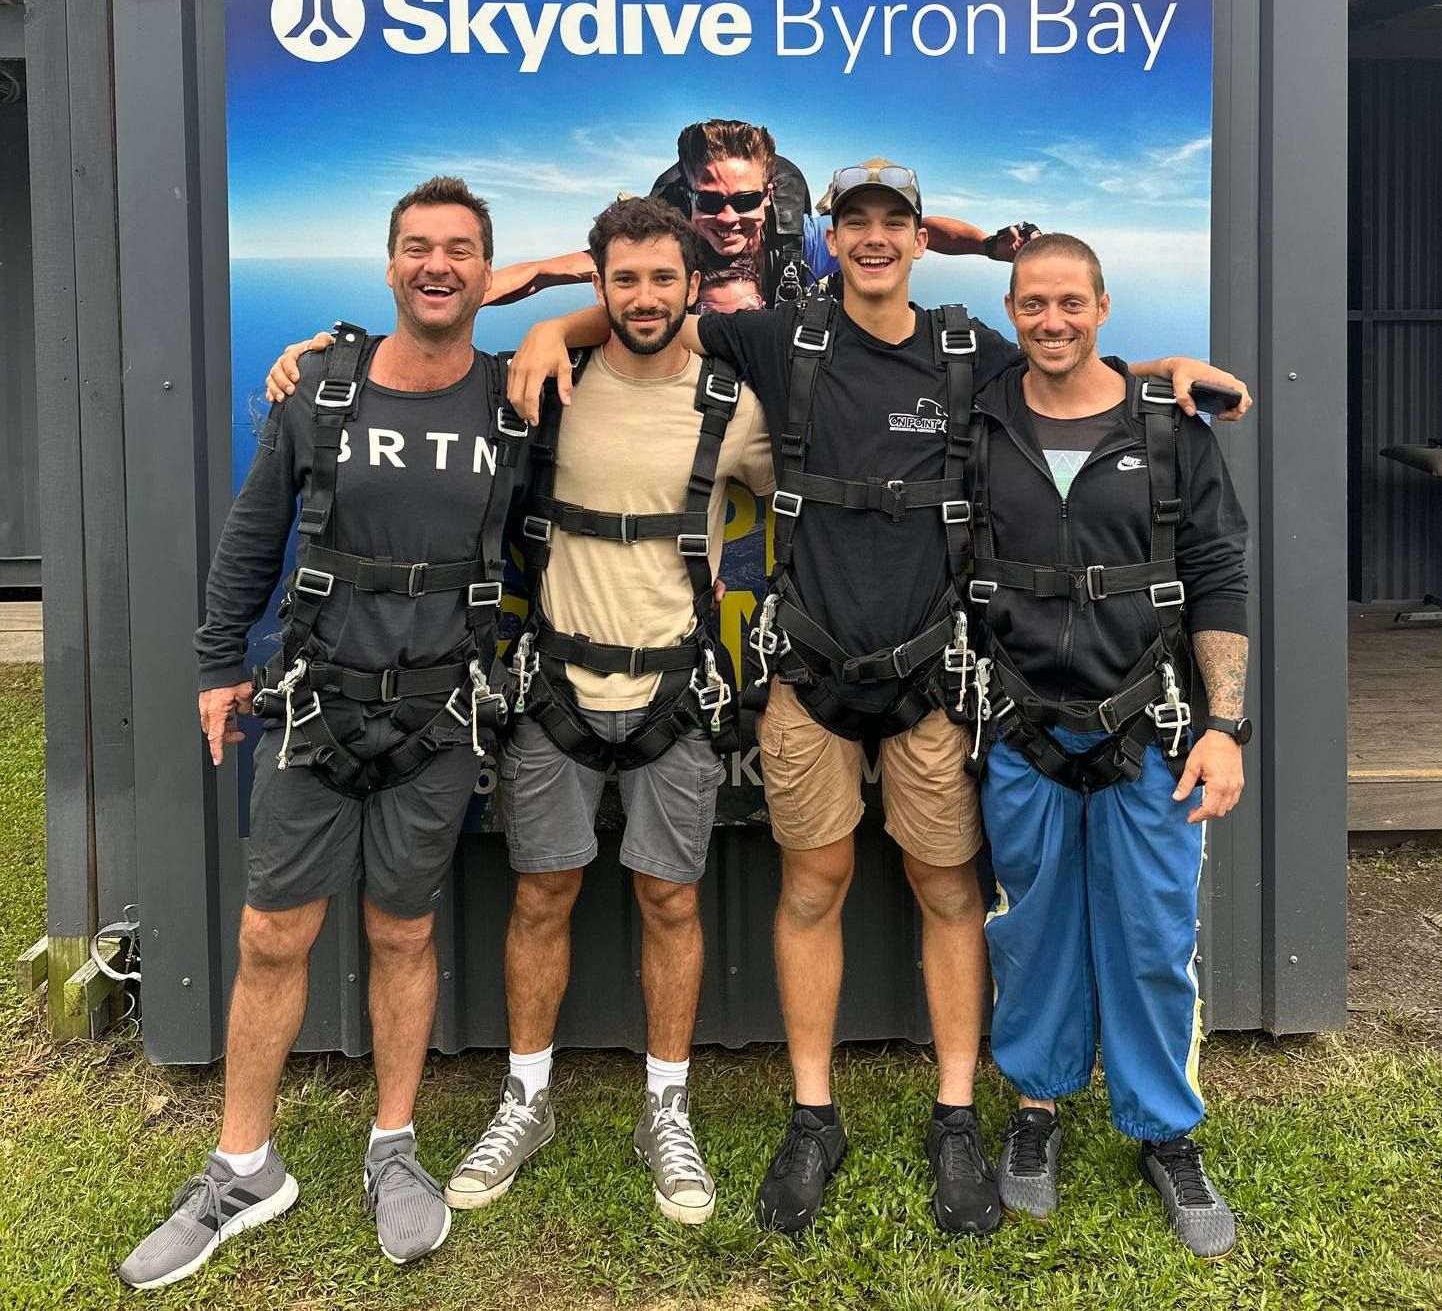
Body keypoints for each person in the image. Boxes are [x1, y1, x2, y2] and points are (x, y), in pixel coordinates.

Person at [504, 160, 1251, 1238]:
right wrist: (551, 333)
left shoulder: (968, 351)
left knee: (949, 890)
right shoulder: (779, 337)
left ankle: (957, 1115)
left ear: (916, 240)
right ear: (831, 240)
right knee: (811, 884)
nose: (870, 239)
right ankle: (814, 1114)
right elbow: (646, 316)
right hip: (808, 675)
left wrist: (1159, 370)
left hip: (934, 679)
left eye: (889, 223)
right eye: (852, 222)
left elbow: (1068, 365)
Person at [262, 196, 774, 1226]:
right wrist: (326, 350)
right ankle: (527, 1095)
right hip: (550, 692)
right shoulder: (539, 387)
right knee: (539, 894)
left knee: (671, 901)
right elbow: (427, 347)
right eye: (619, 279)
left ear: (690, 288)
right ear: (597, 284)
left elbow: (824, 502)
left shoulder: (734, 408)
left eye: (660, 279)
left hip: (672, 690)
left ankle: (664, 1106)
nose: (640, 297)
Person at [119, 177, 526, 1289]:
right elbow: (251, 540)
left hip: (437, 715)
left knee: (401, 935)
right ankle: (242, 1166)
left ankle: (393, 1148)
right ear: (388, 264)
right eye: (414, 247)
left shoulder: (517, 399)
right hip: (311, 706)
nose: (435, 265)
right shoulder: (320, 394)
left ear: (491, 272)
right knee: (269, 936)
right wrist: (215, 665)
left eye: (458, 250)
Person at [967, 233, 1249, 1259]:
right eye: (1031, 304)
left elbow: (1218, 572)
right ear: (1008, 310)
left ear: (1103, 306)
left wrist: (1221, 726)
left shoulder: (1169, 430)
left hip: (1154, 726)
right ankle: (1035, 1107)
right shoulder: (980, 422)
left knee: (1149, 935)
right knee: (1031, 928)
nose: (1050, 321)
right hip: (1021, 723)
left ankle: (1163, 1128)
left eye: (1069, 304)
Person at [483, 120, 1037, 309]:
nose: (729, 218)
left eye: (746, 201)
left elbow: (919, 231)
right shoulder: (659, 249)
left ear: (769, 197)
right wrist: (463, 299)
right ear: (688, 198)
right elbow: (541, 273)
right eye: (710, 201)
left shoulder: (800, 240)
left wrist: (988, 246)